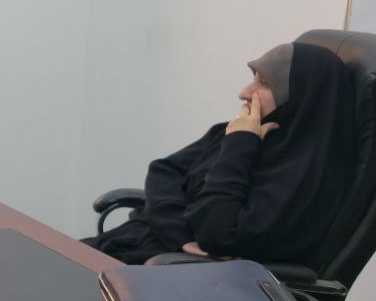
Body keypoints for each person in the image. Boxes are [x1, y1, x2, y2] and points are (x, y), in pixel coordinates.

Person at [89, 42, 355, 268]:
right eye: (253, 78)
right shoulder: (246, 132)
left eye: (263, 83)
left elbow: (217, 234)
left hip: (174, 277)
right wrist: (180, 234)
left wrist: (239, 146)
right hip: (145, 245)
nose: (244, 93)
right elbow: (164, 170)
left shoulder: (303, 180)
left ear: (300, 97)